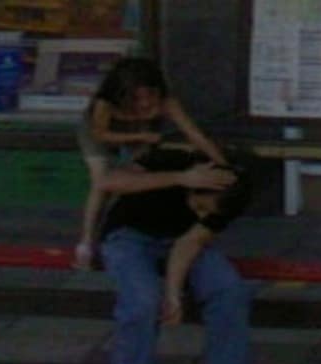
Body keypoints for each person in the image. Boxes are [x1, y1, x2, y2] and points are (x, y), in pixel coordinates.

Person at [97, 147, 271, 364]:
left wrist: (174, 294)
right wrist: (179, 178)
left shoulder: (234, 195)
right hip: (130, 236)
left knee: (229, 289)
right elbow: (110, 181)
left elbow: (190, 242)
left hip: (180, 241)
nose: (198, 213)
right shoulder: (175, 158)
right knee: (142, 302)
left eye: (206, 213)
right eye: (199, 206)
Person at [74, 56, 227, 269]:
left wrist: (222, 164)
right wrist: (139, 138)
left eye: (151, 96)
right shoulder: (105, 102)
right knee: (101, 180)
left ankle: (127, 224)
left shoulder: (166, 102)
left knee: (138, 175)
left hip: (139, 132)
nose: (145, 103)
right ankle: (87, 240)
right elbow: (100, 134)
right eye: (137, 98)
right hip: (100, 132)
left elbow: (195, 135)